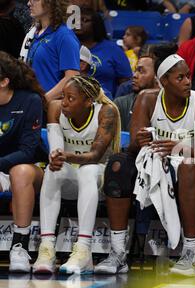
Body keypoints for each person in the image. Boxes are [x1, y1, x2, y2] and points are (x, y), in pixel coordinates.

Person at [94, 45, 195, 276]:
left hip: (193, 166)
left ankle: (190, 254)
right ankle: (118, 252)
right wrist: (139, 140)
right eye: (180, 77)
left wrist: (177, 147)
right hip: (155, 163)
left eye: (188, 76)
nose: (187, 81)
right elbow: (133, 149)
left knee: (189, 167)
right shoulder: (147, 99)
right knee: (118, 164)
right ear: (164, 81)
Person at [33, 75, 121, 274]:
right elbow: (56, 152)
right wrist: (57, 157)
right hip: (71, 180)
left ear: (88, 102)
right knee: (52, 169)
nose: (63, 102)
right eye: (63, 96)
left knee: (87, 169)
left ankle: (83, 250)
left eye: (70, 98)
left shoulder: (106, 111)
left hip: (98, 180)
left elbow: (96, 155)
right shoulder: (56, 109)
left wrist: (68, 155)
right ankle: (46, 249)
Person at [0, 51, 47, 273]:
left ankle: (20, 245)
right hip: (1, 169)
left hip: (31, 168)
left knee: (19, 172)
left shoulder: (30, 100)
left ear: (4, 82)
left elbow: (28, 151)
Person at [25, 0, 80, 102]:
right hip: (33, 103)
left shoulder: (64, 35)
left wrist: (44, 100)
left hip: (51, 107)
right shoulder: (35, 33)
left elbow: (72, 77)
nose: (29, 3)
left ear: (51, 3)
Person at [75, 7, 132, 98]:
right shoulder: (67, 47)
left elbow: (125, 82)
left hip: (104, 101)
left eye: (85, 20)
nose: (78, 23)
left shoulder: (113, 49)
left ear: (96, 25)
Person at [114, 53, 158, 132]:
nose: (134, 75)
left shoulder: (166, 105)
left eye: (141, 71)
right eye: (135, 70)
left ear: (156, 76)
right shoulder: (120, 104)